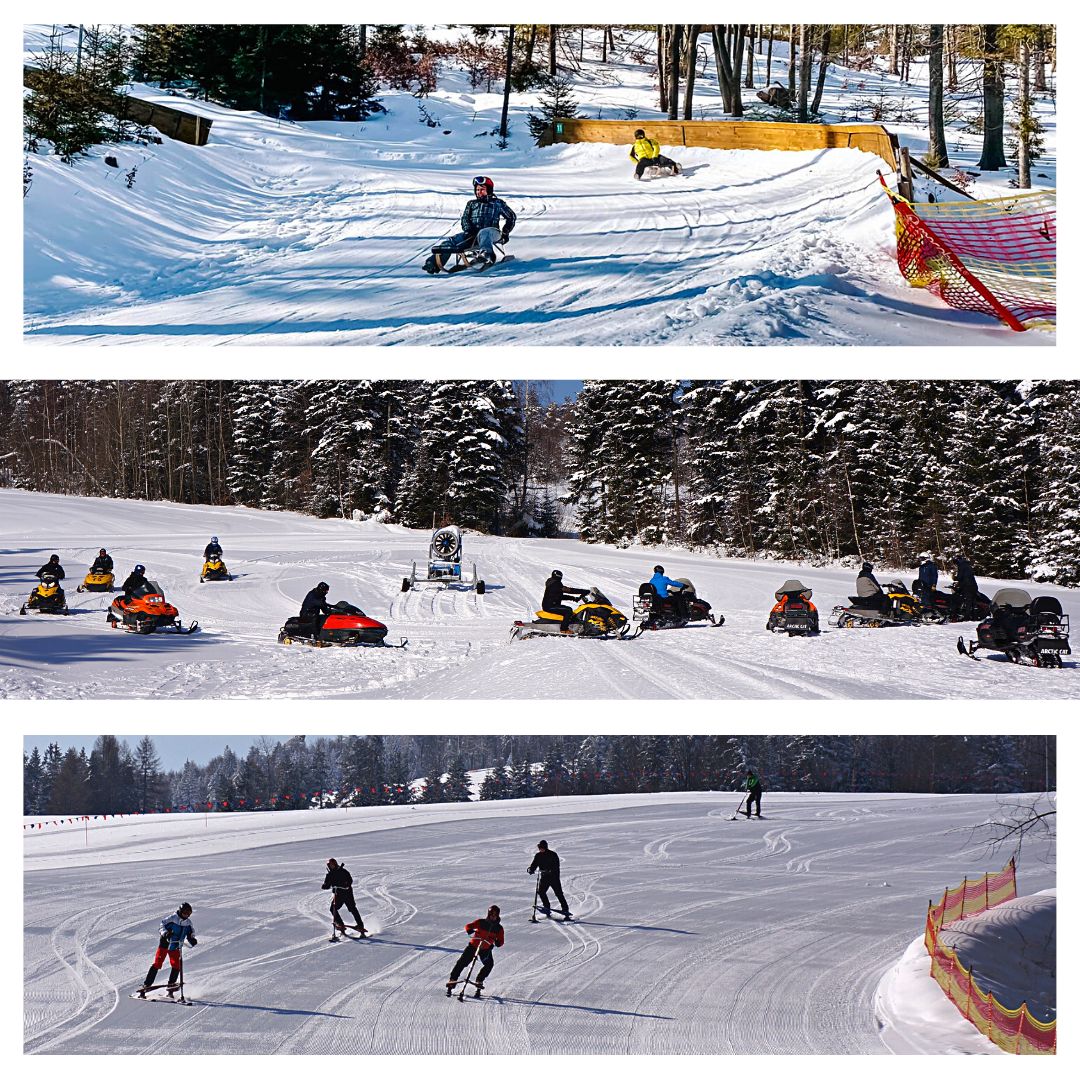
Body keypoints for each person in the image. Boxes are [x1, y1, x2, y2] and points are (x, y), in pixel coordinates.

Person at [423, 176, 517, 273]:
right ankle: (433, 263)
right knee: (451, 241)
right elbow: (465, 219)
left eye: (482, 190)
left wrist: (505, 232)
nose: (479, 192)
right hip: (472, 234)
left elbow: (511, 217)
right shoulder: (472, 204)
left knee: (484, 232)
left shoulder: (497, 203)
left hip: (492, 233)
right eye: (477, 190)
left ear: (489, 190)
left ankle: (487, 255)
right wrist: (469, 230)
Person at [139, 902, 197, 995]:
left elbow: (191, 932)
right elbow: (162, 926)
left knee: (176, 965)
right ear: (180, 911)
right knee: (158, 963)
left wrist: (191, 938)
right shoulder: (172, 918)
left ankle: (171, 985)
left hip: (176, 946)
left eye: (188, 914)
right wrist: (166, 933)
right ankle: (147, 985)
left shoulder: (188, 923)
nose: (186, 915)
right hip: (165, 944)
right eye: (184, 913)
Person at [446, 905, 503, 996]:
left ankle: (479, 980)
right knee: (461, 962)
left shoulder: (499, 929)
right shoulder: (481, 922)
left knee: (489, 964)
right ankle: (453, 980)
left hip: (485, 950)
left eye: (495, 915)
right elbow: (468, 926)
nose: (493, 917)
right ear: (488, 914)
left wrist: (498, 942)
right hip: (473, 946)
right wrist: (469, 930)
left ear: (497, 916)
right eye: (491, 915)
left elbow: (501, 940)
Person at [321, 857, 368, 936]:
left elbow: (350, 880)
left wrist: (346, 884)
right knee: (333, 909)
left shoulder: (343, 871)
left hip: (347, 893)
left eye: (332, 865)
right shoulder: (329, 874)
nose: (331, 866)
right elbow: (327, 884)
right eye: (330, 865)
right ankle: (340, 924)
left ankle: (360, 926)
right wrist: (325, 886)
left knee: (352, 909)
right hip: (338, 894)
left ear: (335, 864)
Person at [528, 840, 571, 916]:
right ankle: (546, 906)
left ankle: (565, 908)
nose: (541, 849)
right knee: (541, 892)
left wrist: (550, 871)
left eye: (542, 848)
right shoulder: (538, 855)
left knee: (559, 893)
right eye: (540, 848)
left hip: (554, 878)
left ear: (545, 847)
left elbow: (556, 866)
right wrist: (531, 869)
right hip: (544, 878)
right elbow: (534, 864)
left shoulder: (553, 855)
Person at [952, 555, 980, 620]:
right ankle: (974, 616)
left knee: (968, 601)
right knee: (973, 601)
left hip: (967, 586)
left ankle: (967, 617)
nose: (955, 564)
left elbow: (960, 577)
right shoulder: (967, 564)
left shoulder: (961, 566)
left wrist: (955, 578)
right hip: (973, 585)